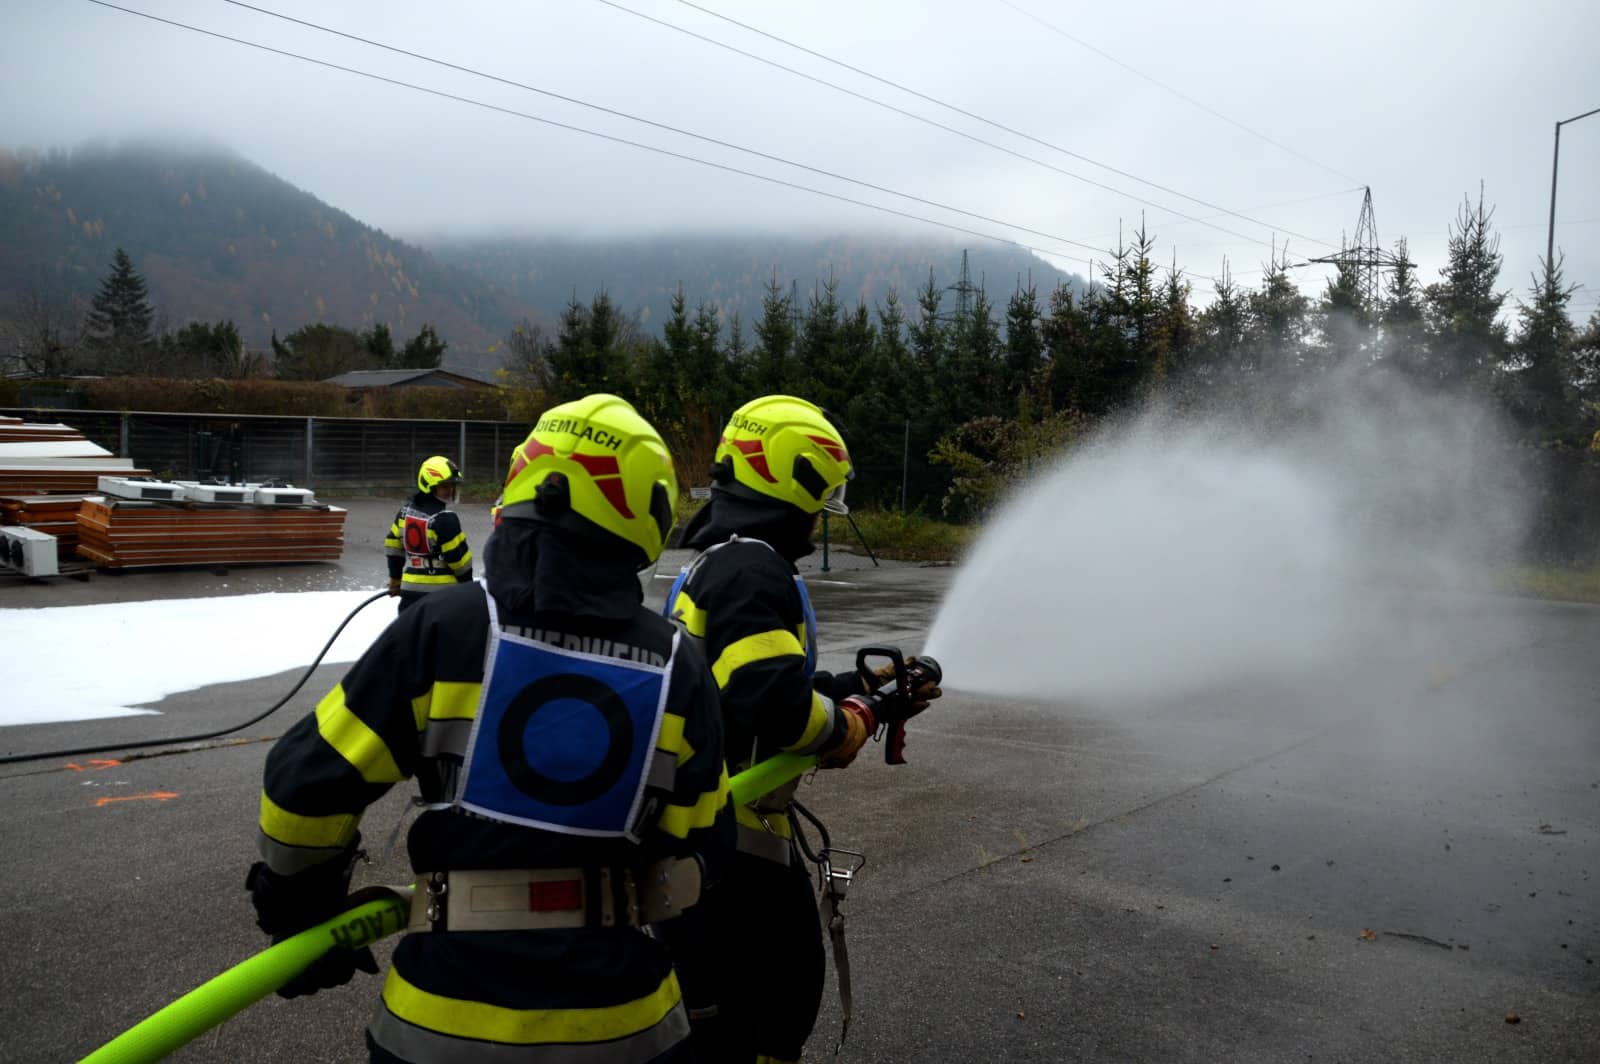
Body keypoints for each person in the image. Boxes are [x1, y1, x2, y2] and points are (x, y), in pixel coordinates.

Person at [248, 394, 734, 1063]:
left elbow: (304, 786)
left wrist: (300, 917)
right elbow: (698, 858)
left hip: (437, 1030)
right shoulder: (681, 667)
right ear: (643, 518)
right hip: (626, 1032)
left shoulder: (444, 630)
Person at [663, 394, 941, 1063]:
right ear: (792, 485)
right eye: (820, 500)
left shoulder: (718, 562)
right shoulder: (752, 571)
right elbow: (777, 710)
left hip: (709, 838)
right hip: (735, 843)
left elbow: (752, 685)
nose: (819, 519)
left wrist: (861, 688)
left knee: (740, 1011)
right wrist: (852, 724)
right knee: (774, 1007)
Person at [384, 456, 473, 611]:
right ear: (428, 486)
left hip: (410, 596)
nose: (450, 491)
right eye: (444, 486)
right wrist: (468, 590)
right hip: (443, 598)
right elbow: (460, 563)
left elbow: (392, 546)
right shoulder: (445, 519)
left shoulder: (404, 513)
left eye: (452, 486)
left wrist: (395, 579)